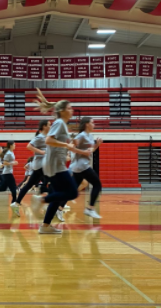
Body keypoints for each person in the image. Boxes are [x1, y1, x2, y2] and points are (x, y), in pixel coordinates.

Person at [34, 88, 91, 234]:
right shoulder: (59, 122)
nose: (72, 110)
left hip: (54, 164)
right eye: (69, 108)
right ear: (62, 111)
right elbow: (48, 140)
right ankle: (40, 200)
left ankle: (45, 226)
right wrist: (66, 145)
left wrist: (71, 144)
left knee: (58, 194)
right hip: (55, 165)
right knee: (72, 192)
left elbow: (59, 142)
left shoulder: (62, 125)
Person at [70, 116, 103, 218]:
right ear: (87, 124)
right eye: (92, 123)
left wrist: (97, 145)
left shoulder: (89, 136)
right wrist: (82, 152)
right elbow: (71, 147)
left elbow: (90, 151)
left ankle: (59, 208)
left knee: (72, 190)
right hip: (82, 166)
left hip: (79, 167)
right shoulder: (82, 135)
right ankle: (90, 208)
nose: (94, 125)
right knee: (97, 184)